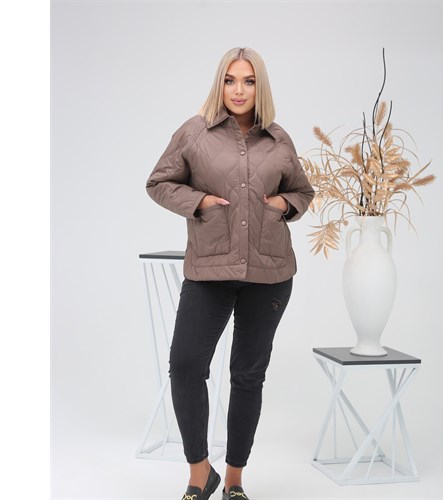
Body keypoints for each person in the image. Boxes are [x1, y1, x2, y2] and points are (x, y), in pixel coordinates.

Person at [145, 47, 315, 500]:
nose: (239, 90)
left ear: (260, 87)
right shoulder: (194, 132)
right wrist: (198, 202)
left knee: (247, 375)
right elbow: (158, 182)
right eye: (230, 80)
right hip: (209, 269)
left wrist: (284, 204)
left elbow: (303, 192)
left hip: (270, 271)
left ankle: (235, 479)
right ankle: (200, 472)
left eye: (249, 81)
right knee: (185, 366)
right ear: (219, 84)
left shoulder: (279, 139)